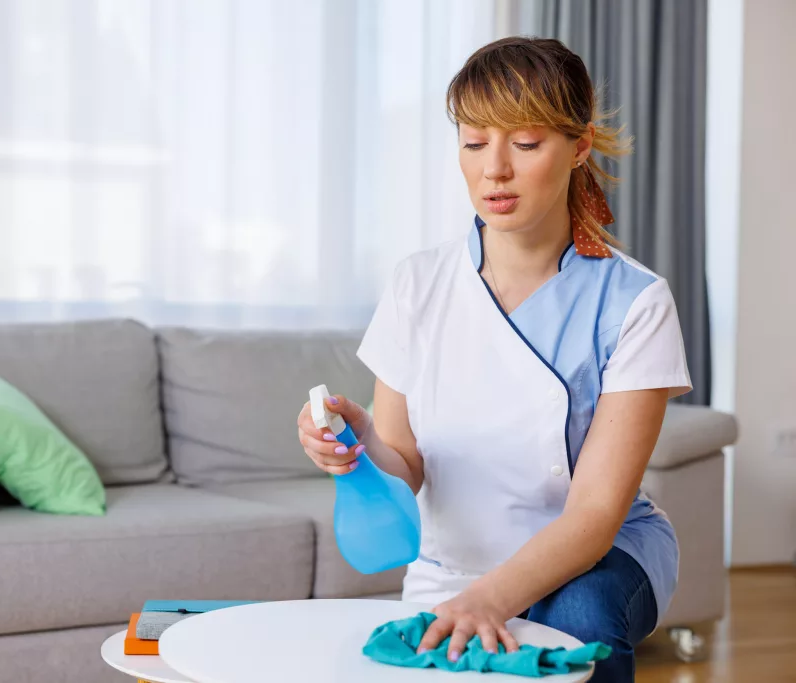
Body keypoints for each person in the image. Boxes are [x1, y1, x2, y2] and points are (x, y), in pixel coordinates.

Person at [296, 36, 691, 683]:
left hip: (598, 556)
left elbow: (594, 514)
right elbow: (407, 461)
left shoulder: (635, 302)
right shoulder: (417, 285)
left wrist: (490, 598)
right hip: (453, 566)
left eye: (526, 144)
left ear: (580, 145)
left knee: (579, 611)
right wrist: (361, 439)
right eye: (474, 142)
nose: (494, 169)